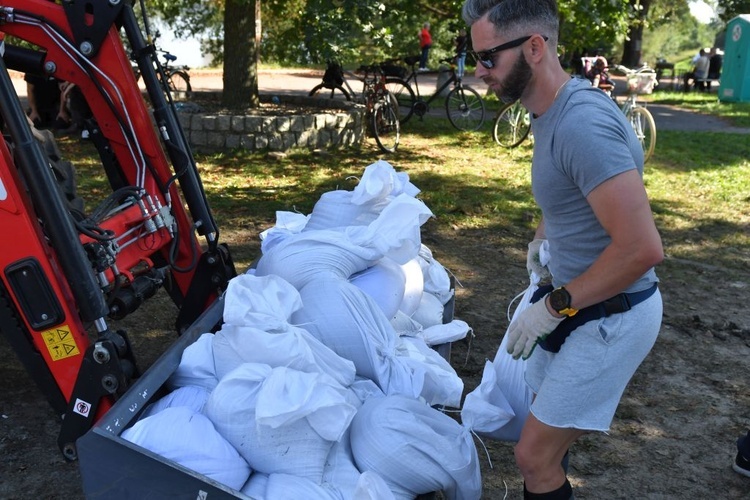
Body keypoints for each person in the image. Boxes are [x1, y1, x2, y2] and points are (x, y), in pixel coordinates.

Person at [461, 1, 663, 499]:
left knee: (534, 455)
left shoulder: (581, 124)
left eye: (488, 58)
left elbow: (641, 249)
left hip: (614, 313)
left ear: (534, 48)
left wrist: (555, 306)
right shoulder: (549, 110)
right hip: (581, 302)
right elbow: (571, 189)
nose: (478, 73)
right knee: (541, 432)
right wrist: (543, 235)